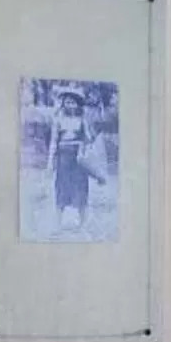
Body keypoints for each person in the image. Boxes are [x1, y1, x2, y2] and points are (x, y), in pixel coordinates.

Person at [49, 89, 96, 234]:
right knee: (61, 189)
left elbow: (89, 139)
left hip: (78, 159)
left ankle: (83, 224)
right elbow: (53, 142)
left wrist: (87, 134)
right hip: (63, 157)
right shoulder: (58, 120)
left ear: (78, 105)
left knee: (81, 189)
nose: (70, 105)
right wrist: (50, 162)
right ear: (63, 104)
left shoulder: (82, 120)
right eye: (67, 102)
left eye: (73, 102)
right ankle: (57, 223)